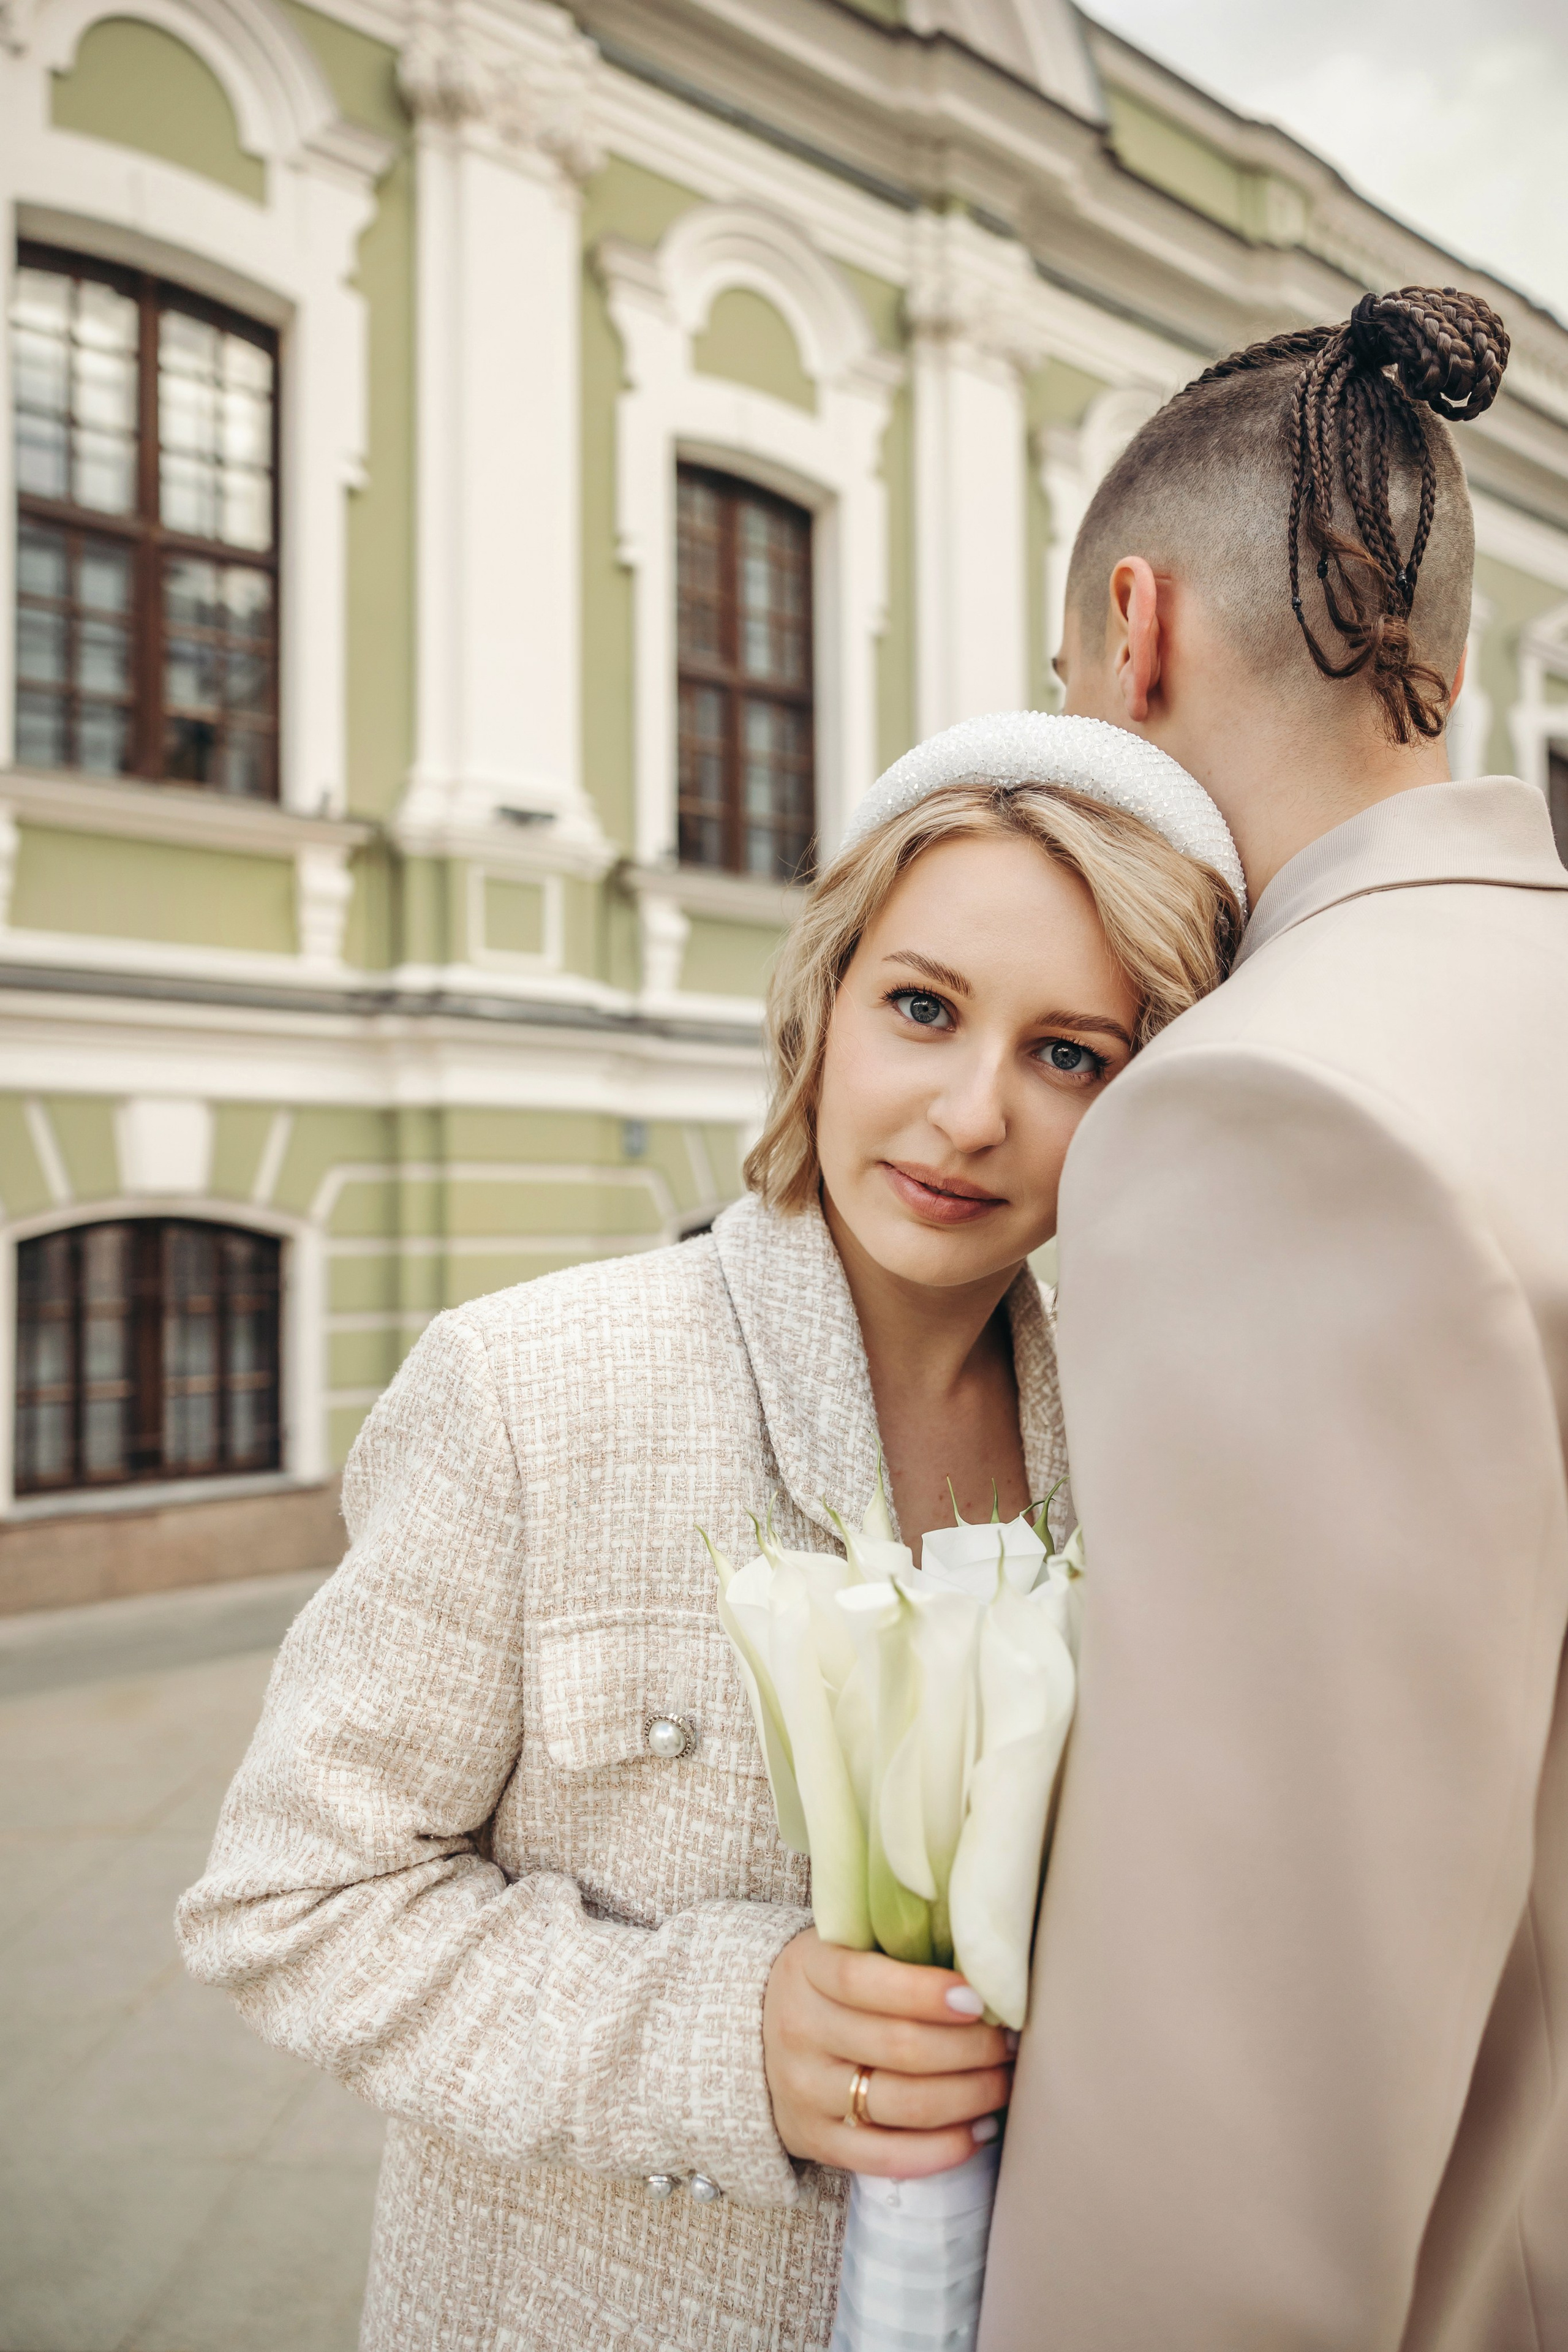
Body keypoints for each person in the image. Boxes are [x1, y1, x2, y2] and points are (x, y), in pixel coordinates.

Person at [176, 759, 1237, 2351]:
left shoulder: (1139, 1439)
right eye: (925, 1008)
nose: (971, 1115)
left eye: (1068, 1053)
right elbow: (291, 1904)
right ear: (824, 1007)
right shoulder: (530, 1389)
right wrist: (724, 2039)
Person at [978, 290, 1568, 2350]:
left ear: (1133, 632)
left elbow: (1244, 2074)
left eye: (1067, 682)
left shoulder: (1263, 1109)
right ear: (1445, 667)